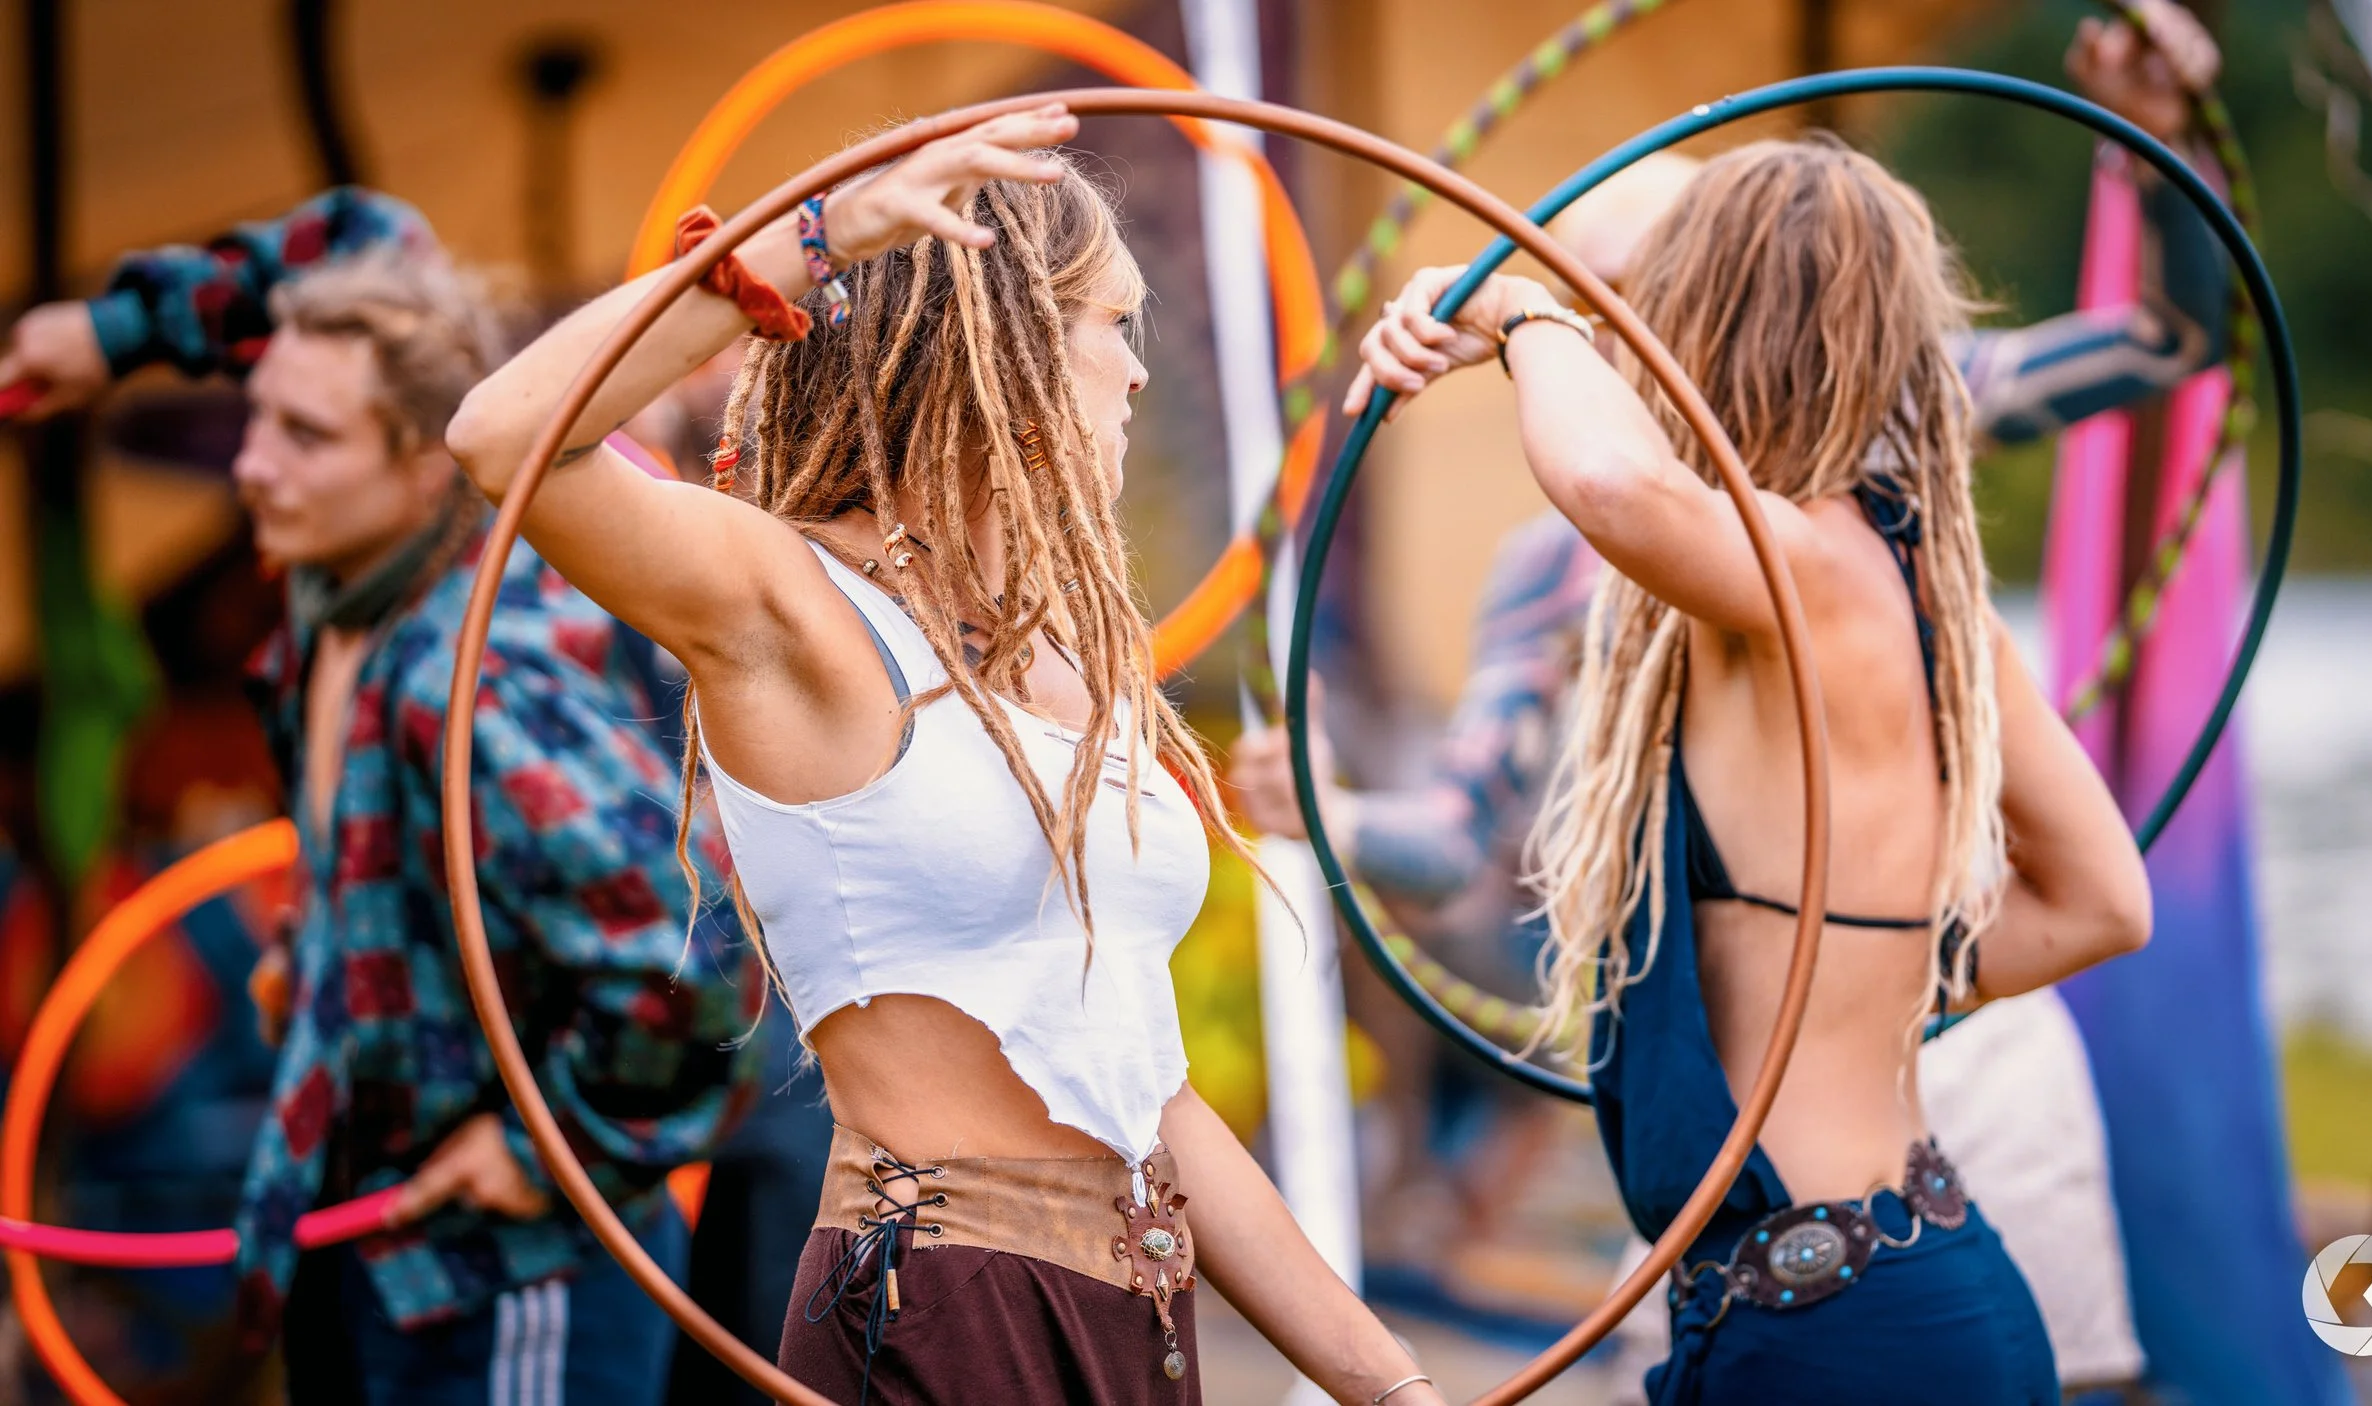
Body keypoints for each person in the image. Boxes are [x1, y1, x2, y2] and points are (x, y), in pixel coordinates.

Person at [1232, 6, 2219, 1393]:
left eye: (1636, 293)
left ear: (1710, 321)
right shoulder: (1921, 578)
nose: (1607, 328)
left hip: (1838, 1310)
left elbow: (1623, 483)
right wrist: (1858, 965)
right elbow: (2106, 897)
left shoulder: (1787, 555)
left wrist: (1521, 304)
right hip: (1895, 1266)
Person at [446, 108, 1446, 1405]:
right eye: (1111, 326)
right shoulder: (792, 605)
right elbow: (503, 440)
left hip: (1134, 1312)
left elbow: (1151, 1096)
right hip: (940, 1304)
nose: (1138, 373)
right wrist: (808, 244)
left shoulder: (1073, 663)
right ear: (1008, 346)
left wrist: (1390, 1384)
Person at [3, 208, 763, 1402]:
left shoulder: (477, 675)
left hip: (513, 1278)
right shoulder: (338, 583)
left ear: (425, 462)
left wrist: (543, 1147)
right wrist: (114, 331)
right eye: (261, 418)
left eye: (306, 436)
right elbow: (356, 237)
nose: (253, 465)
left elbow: (692, 954)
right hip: (373, 1241)